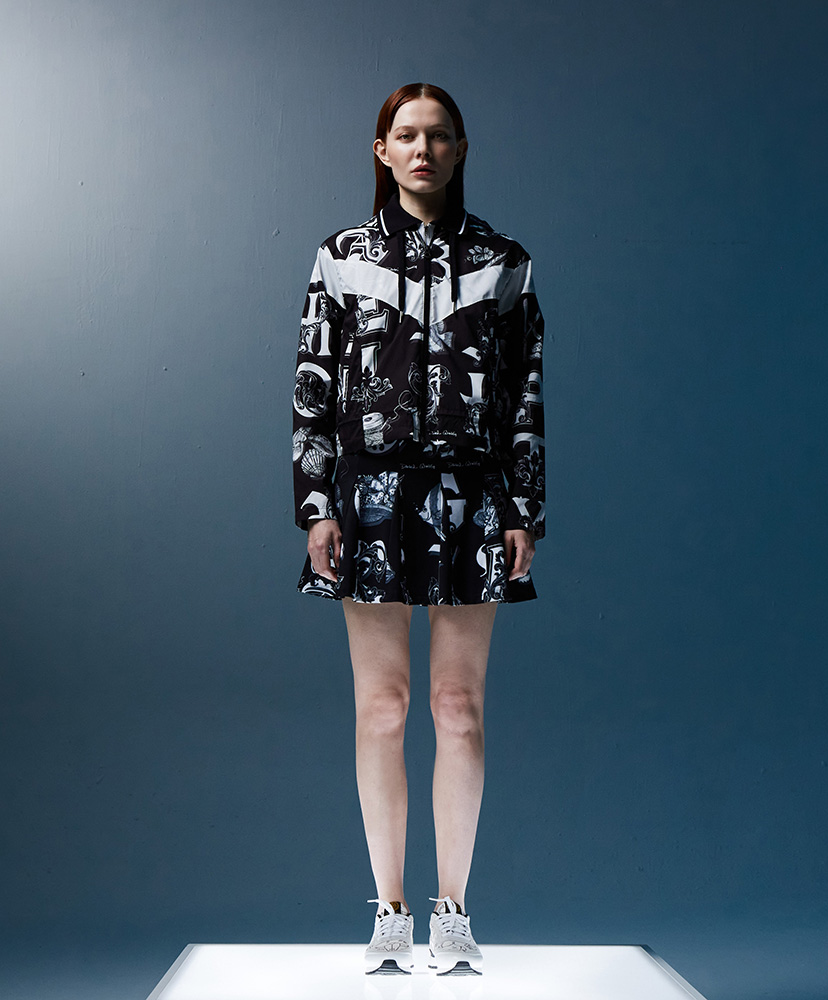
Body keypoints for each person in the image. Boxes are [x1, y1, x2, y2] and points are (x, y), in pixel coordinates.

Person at [291, 82, 545, 976]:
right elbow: (312, 387)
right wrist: (316, 505)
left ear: (460, 149)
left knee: (458, 709)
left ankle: (455, 912)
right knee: (384, 707)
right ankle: (390, 912)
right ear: (382, 150)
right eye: (406, 135)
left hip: (474, 498)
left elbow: (525, 398)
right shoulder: (342, 257)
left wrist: (523, 510)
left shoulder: (504, 262)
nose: (423, 150)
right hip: (369, 497)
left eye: (438, 136)